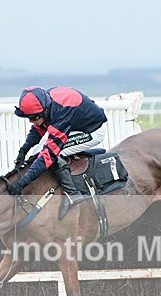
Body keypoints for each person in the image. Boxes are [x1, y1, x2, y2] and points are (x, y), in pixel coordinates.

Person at [7, 86, 108, 219]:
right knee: (37, 151)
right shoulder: (45, 103)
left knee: (55, 154)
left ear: (44, 111)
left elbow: (49, 155)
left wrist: (22, 183)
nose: (31, 121)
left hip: (93, 130)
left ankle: (72, 194)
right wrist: (23, 150)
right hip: (76, 124)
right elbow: (38, 129)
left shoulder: (61, 114)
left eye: (33, 118)